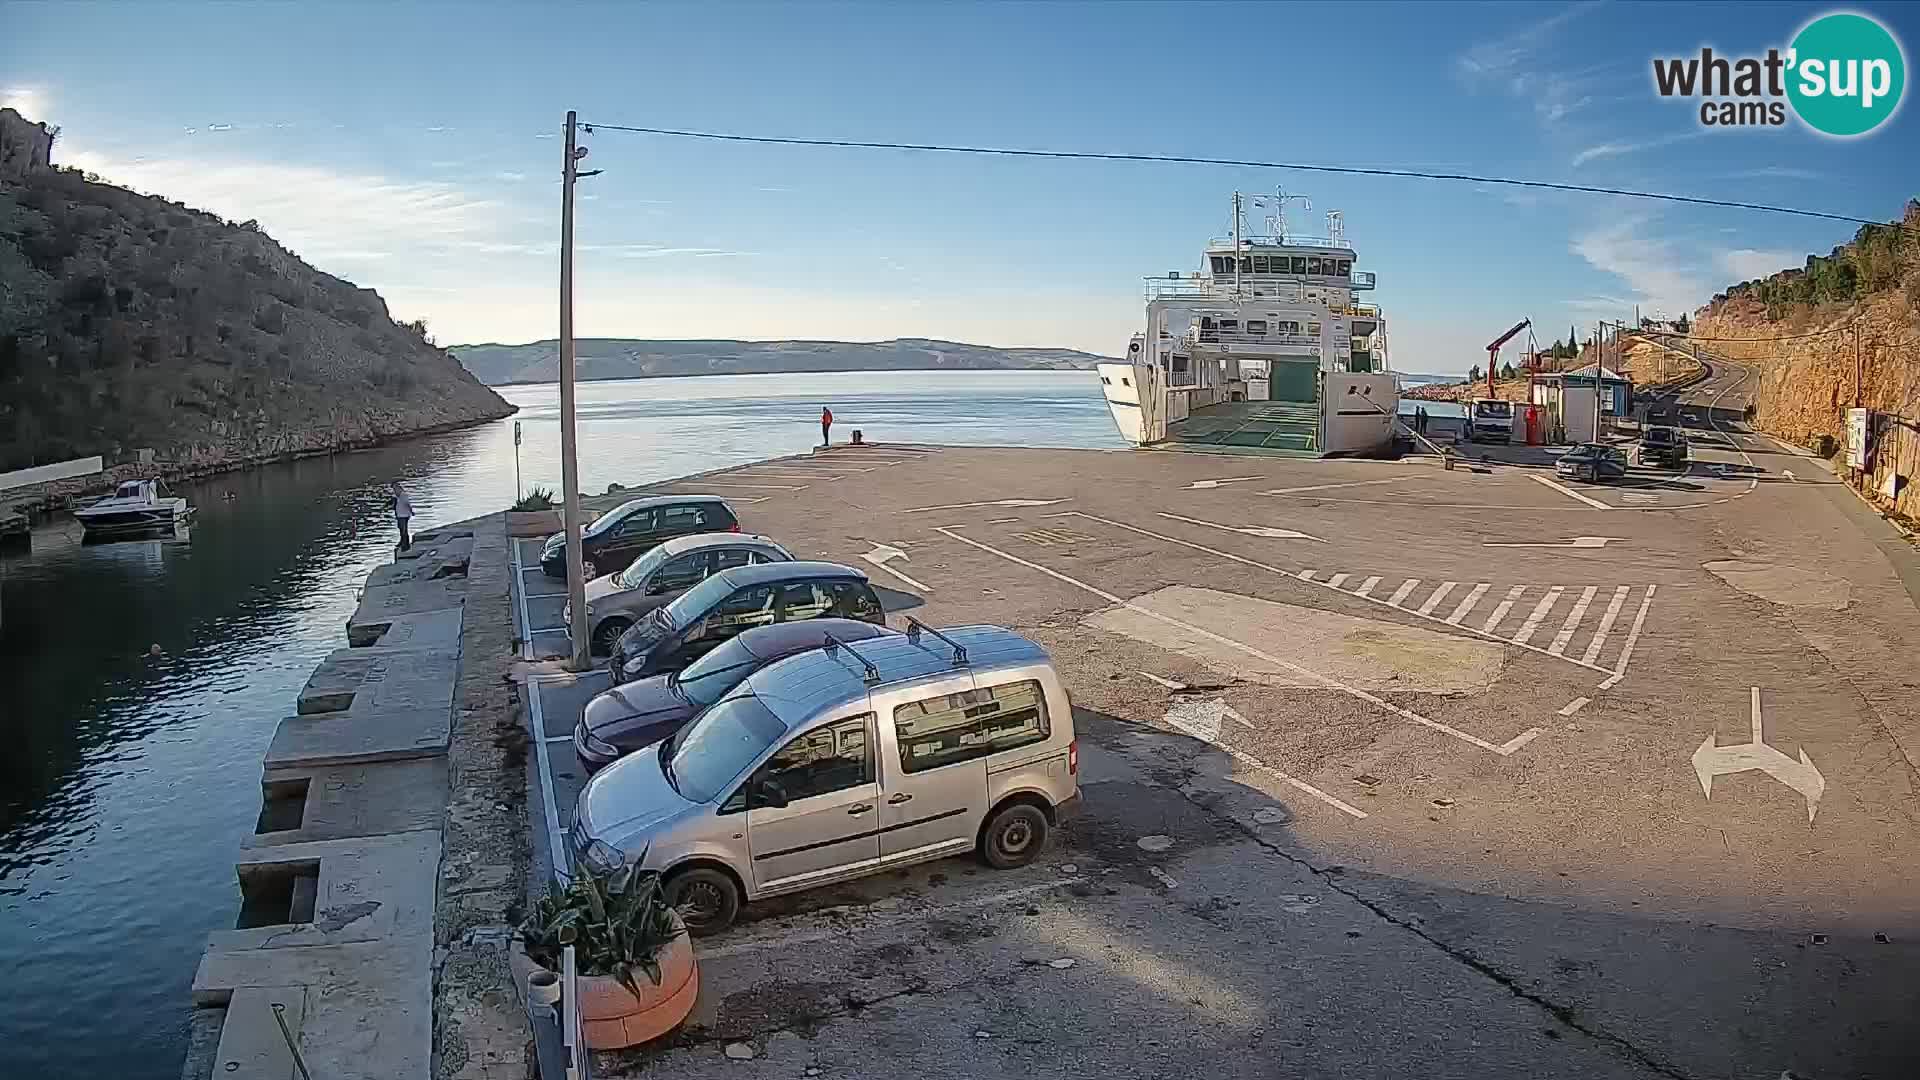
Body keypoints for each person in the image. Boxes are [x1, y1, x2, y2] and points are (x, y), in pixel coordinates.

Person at [391, 481, 414, 552]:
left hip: (404, 515)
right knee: (401, 529)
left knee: (404, 530)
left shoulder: (403, 495)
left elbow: (407, 504)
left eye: (395, 488)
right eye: (393, 489)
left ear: (399, 488)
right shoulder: (396, 496)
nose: (394, 490)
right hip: (399, 515)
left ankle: (405, 544)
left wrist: (411, 512)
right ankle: (402, 542)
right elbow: (395, 506)